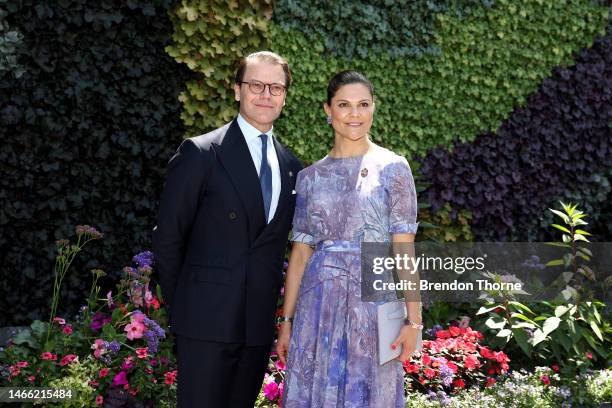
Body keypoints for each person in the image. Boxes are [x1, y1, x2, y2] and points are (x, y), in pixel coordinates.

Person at [152, 51, 302, 408]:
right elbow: (168, 238)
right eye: (256, 85)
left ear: (284, 95)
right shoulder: (201, 153)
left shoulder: (292, 166)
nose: (266, 94)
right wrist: (187, 306)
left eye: (276, 87)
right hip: (204, 323)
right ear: (237, 90)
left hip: (256, 326)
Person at [276, 70, 422, 407]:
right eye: (344, 104)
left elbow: (404, 249)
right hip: (318, 305)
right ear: (327, 110)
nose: (354, 114)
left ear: (373, 108)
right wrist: (286, 321)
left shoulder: (394, 168)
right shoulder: (310, 177)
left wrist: (413, 321)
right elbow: (299, 254)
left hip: (374, 303)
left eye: (363, 104)